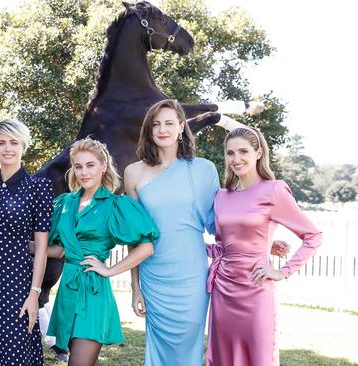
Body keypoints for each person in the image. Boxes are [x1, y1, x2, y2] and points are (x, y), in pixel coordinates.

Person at [124, 100, 288, 365]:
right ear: (148, 130)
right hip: (153, 275)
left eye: (169, 123)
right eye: (156, 124)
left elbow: (219, 223)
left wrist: (260, 244)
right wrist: (136, 287)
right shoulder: (133, 172)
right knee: (157, 349)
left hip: (191, 275)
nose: (162, 130)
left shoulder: (202, 169)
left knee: (189, 346)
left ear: (181, 127)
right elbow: (134, 237)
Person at [205, 127, 322, 366]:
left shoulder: (274, 190)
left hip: (256, 291)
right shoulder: (221, 196)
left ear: (258, 153)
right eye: (230, 153)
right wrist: (185, 243)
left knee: (259, 358)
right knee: (223, 358)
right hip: (223, 291)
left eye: (243, 151)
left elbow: (313, 236)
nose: (236, 159)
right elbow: (225, 247)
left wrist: (283, 271)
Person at [45, 137, 158, 366]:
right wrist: (12, 244)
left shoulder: (114, 205)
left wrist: (109, 270)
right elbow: (58, 251)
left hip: (94, 291)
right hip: (68, 291)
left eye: (90, 165)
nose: (84, 172)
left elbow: (146, 247)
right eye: (78, 166)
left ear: (103, 166)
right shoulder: (65, 203)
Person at [0, 119, 53, 366]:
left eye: (14, 142)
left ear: (23, 145)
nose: (7, 148)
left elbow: (42, 247)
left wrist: (34, 293)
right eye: (1, 142)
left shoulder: (38, 187)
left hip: (16, 278)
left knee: (14, 345)